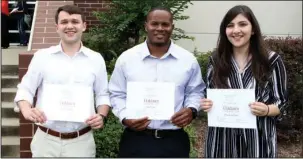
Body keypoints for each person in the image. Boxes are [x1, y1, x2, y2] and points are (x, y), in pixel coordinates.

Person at [14, 5, 110, 157]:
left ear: (84, 26)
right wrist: (26, 109)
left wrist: (101, 115)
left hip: (81, 142)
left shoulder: (96, 59)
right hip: (46, 140)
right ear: (57, 27)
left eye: (75, 22)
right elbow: (25, 89)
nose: (70, 26)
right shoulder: (42, 57)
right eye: (64, 22)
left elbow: (103, 94)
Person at [109, 6, 205, 158]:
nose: (160, 28)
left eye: (165, 24)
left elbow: (196, 91)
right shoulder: (127, 59)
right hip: (135, 140)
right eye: (154, 24)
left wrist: (191, 110)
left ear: (172, 27)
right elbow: (116, 93)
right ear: (146, 26)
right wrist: (125, 117)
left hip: (173, 141)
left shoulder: (188, 60)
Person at [200, 5, 288, 158]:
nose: (236, 30)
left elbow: (282, 102)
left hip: (258, 141)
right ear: (224, 31)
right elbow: (207, 94)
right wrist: (206, 104)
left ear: (253, 29)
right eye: (230, 25)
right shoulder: (215, 61)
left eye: (242, 24)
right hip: (221, 141)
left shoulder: (271, 60)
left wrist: (267, 110)